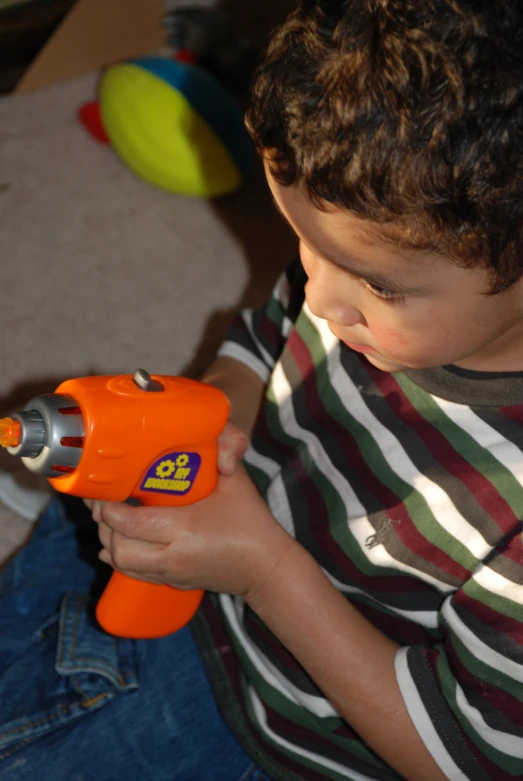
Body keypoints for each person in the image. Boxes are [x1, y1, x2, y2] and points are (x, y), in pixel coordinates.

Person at [1, 1, 523, 779]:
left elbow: (455, 755)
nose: (318, 294)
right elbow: (261, 341)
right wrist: (221, 409)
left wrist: (262, 571)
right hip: (206, 536)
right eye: (303, 243)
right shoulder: (360, 275)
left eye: (377, 284)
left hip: (272, 718)